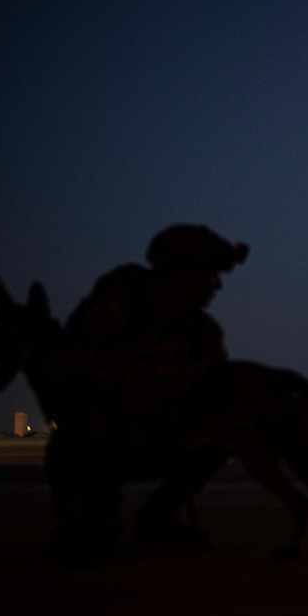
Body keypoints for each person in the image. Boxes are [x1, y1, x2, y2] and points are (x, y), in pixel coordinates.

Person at [47, 224, 248, 565]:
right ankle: (91, 522)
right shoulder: (123, 298)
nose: (217, 285)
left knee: (227, 432)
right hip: (105, 438)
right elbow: (75, 359)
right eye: (210, 274)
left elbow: (216, 391)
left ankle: (157, 516)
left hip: (160, 439)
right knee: (83, 436)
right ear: (182, 272)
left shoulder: (202, 332)